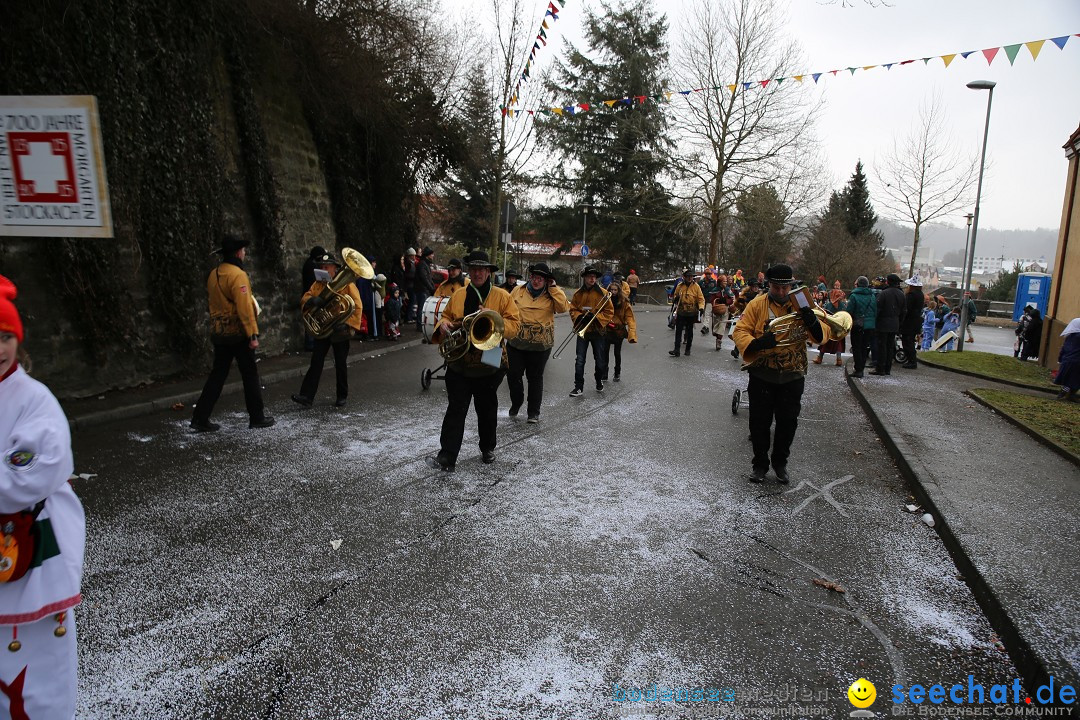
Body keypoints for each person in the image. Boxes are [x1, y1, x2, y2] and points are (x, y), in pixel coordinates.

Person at [0, 275, 85, 719]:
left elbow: (31, 474)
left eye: (5, 337)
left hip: (31, 550)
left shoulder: (36, 400)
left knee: (35, 672)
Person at [732, 264, 829, 484]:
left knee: (788, 423)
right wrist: (756, 343)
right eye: (777, 288)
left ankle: (780, 463)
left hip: (792, 375)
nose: (783, 293)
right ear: (769, 285)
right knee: (759, 423)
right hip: (762, 374)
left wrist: (813, 322)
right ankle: (759, 464)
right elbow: (740, 330)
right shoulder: (757, 304)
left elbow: (823, 334)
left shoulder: (802, 303)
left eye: (786, 288)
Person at [432, 251, 520, 471]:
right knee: (456, 409)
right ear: (469, 271)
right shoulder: (460, 294)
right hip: (460, 360)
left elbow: (514, 326)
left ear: (489, 272)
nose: (478, 273)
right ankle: (447, 456)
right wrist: (442, 325)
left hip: (489, 360)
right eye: (474, 269)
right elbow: (446, 317)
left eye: (482, 269)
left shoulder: (501, 296)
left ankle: (487, 447)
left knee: (487, 408)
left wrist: (495, 319)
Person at [191, 235, 274, 431]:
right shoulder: (238, 275)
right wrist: (252, 335)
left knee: (218, 375)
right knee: (249, 374)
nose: (244, 254)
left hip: (219, 332)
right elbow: (244, 308)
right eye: (244, 251)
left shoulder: (214, 274)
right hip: (238, 333)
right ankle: (257, 417)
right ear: (238, 253)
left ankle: (200, 417)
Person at [292, 253, 363, 407]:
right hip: (324, 329)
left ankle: (342, 395)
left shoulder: (348, 285)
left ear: (334, 269)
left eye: (326, 267)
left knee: (340, 363)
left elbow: (357, 306)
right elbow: (306, 296)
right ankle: (306, 396)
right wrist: (311, 300)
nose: (323, 269)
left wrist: (347, 324)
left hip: (339, 329)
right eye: (321, 267)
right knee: (316, 361)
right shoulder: (317, 284)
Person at [507, 262, 569, 423]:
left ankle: (533, 412)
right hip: (516, 344)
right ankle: (517, 401)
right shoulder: (517, 291)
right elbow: (506, 309)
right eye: (534, 277)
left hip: (540, 346)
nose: (536, 281)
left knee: (535, 378)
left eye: (540, 278)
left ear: (546, 280)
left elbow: (563, 308)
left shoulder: (552, 294)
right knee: (513, 375)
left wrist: (554, 287)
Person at [569, 267, 614, 396]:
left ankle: (599, 380)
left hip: (598, 331)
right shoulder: (578, 294)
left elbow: (609, 311)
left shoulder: (604, 293)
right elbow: (573, 309)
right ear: (585, 278)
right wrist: (580, 317)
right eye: (589, 276)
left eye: (594, 276)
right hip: (582, 330)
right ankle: (578, 386)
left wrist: (596, 318)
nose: (592, 279)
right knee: (580, 360)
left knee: (600, 360)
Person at [602, 277, 637, 382]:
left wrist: (632, 334)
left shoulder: (624, 302)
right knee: (605, 352)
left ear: (619, 291)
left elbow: (630, 318)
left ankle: (617, 373)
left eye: (615, 290)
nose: (613, 292)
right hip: (607, 330)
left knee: (617, 353)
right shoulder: (605, 301)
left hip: (618, 330)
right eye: (611, 290)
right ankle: (604, 373)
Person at [871, 274, 905, 376]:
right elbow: (904, 311)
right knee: (890, 347)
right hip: (895, 323)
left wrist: (875, 322)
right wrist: (899, 323)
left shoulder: (884, 293)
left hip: (883, 323)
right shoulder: (901, 294)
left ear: (888, 282)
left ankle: (880, 368)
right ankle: (887, 369)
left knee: (882, 346)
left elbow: (878, 309)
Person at [845, 276, 877, 378]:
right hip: (870, 325)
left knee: (857, 347)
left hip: (858, 324)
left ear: (858, 284)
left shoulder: (854, 296)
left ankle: (858, 369)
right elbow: (875, 311)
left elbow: (849, 311)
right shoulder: (872, 296)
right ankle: (861, 367)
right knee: (864, 347)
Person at [669, 268, 705, 357]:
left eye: (691, 276)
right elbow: (675, 296)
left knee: (689, 331)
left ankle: (688, 349)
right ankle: (676, 349)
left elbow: (701, 299)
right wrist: (676, 298)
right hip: (681, 311)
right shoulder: (680, 286)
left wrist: (701, 308)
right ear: (684, 277)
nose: (690, 278)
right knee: (678, 331)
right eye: (688, 276)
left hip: (691, 312)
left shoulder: (696, 287)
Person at [814, 284, 847, 366]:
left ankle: (820, 358)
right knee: (838, 343)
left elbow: (825, 315)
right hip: (839, 328)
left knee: (825, 342)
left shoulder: (829, 305)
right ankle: (839, 359)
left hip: (829, 326)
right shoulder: (843, 305)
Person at [301, 245, 327, 351]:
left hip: (311, 296)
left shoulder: (310, 264)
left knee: (311, 319)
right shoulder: (311, 266)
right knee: (311, 320)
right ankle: (310, 344)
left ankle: (311, 342)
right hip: (311, 297)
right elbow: (313, 282)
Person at [900, 274, 925, 369]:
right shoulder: (920, 295)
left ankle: (912, 361)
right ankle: (911, 359)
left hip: (909, 322)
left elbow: (907, 309)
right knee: (910, 341)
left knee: (907, 341)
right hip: (916, 321)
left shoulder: (911, 295)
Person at [1053, 318, 1080, 401]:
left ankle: (1067, 394)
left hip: (1067, 360)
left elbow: (1064, 348)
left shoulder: (1070, 336)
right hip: (1076, 361)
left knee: (1070, 379)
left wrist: (1060, 359)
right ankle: (1065, 394)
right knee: (1073, 380)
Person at [413, 247, 436, 332]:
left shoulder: (425, 264)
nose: (433, 256)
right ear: (427, 255)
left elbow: (428, 278)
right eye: (432, 254)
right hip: (421, 289)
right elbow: (424, 278)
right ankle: (420, 325)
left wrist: (432, 287)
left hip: (424, 289)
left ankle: (422, 324)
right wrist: (431, 288)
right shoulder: (422, 264)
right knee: (421, 308)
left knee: (423, 308)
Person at [710, 274, 735, 351]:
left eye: (726, 281)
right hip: (717, 309)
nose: (725, 283)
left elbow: (732, 298)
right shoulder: (715, 289)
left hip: (725, 309)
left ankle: (719, 340)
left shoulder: (728, 290)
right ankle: (717, 335)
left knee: (723, 324)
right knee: (716, 324)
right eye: (724, 281)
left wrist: (726, 301)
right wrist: (718, 300)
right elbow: (712, 299)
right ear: (720, 282)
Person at [403, 247, 417, 323]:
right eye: (413, 255)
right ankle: (408, 317)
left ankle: (410, 316)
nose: (414, 257)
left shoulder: (411, 263)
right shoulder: (408, 263)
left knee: (412, 301)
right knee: (411, 301)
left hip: (411, 284)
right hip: (410, 285)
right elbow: (407, 275)